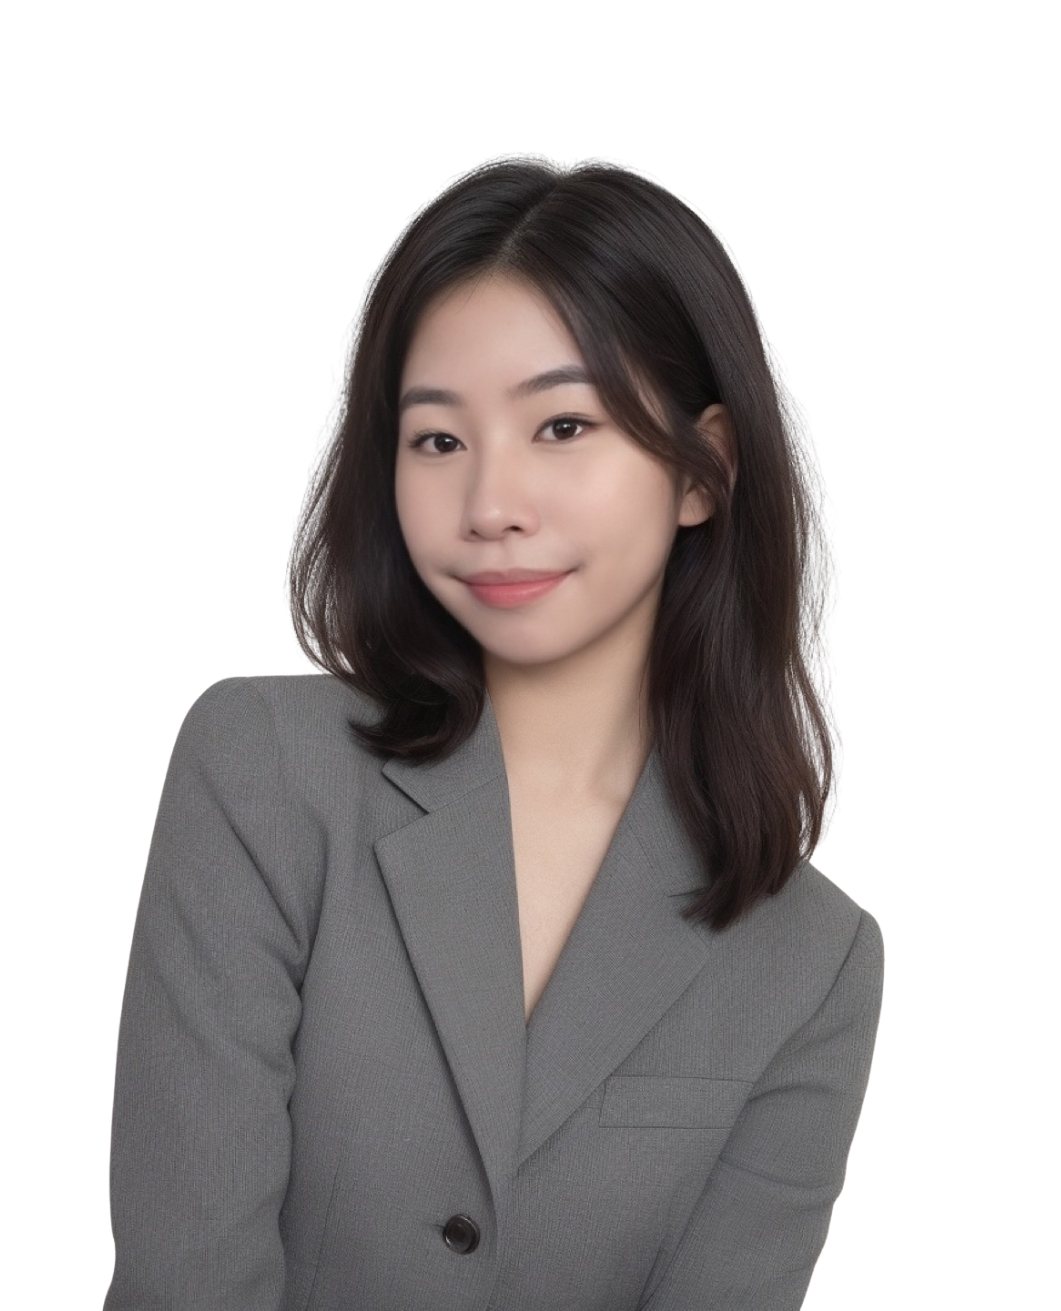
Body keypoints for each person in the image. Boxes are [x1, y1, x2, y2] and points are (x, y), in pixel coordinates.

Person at [102, 156, 884, 1311]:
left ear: (704, 469)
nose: (489, 507)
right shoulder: (267, 772)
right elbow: (189, 1276)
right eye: (437, 440)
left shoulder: (812, 961)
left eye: (562, 425)